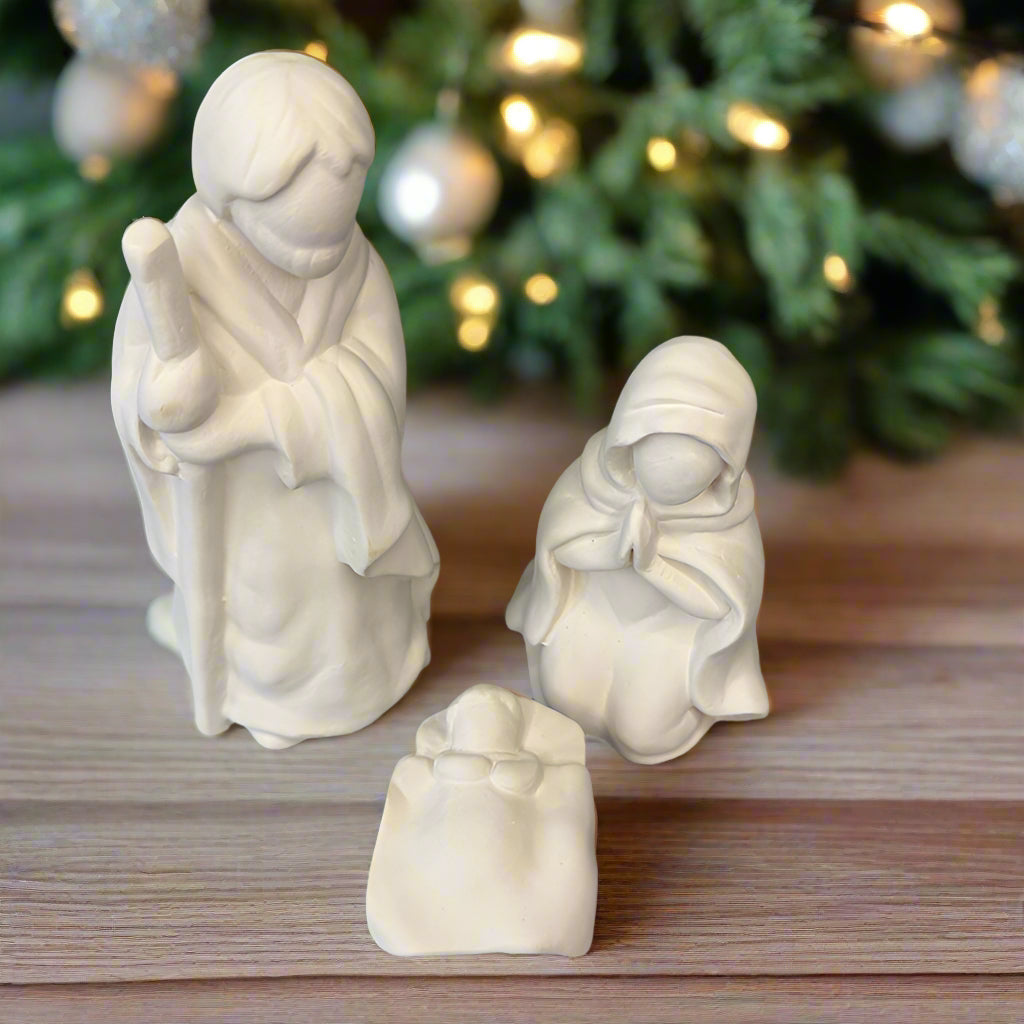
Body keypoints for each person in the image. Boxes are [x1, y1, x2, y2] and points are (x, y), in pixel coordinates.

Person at [111, 51, 438, 748]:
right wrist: (163, 402)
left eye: (332, 237)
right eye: (296, 239)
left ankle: (345, 684)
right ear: (232, 196)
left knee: (345, 603)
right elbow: (143, 393)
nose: (321, 255)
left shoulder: (358, 265)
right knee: (257, 594)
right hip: (245, 515)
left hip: (335, 494)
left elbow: (378, 381)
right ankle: (243, 678)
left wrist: (256, 420)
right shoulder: (177, 266)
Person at [506, 336, 767, 764]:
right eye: (657, 460)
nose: (668, 484)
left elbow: (726, 605)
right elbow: (558, 547)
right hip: (599, 610)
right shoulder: (594, 481)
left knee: (645, 733)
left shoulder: (726, 519)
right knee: (566, 701)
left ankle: (669, 705)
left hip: (668, 630)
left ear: (723, 467)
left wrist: (654, 566)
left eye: (690, 474)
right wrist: (613, 550)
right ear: (630, 440)